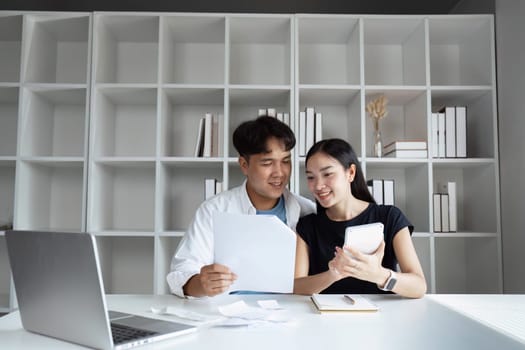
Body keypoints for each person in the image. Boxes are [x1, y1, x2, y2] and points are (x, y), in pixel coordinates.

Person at [167, 116, 315, 298]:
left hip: (290, 314)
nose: (280, 172)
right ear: (244, 165)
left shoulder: (308, 210)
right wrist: (201, 283)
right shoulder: (214, 209)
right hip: (229, 315)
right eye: (267, 163)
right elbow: (182, 273)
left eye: (285, 161)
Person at [293, 138, 426, 298]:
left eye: (327, 174)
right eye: (310, 177)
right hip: (325, 318)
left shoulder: (389, 217)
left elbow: (419, 286)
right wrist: (333, 274)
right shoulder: (308, 226)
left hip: (381, 318)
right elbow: (296, 286)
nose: (318, 185)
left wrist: (379, 275)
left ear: (351, 173)